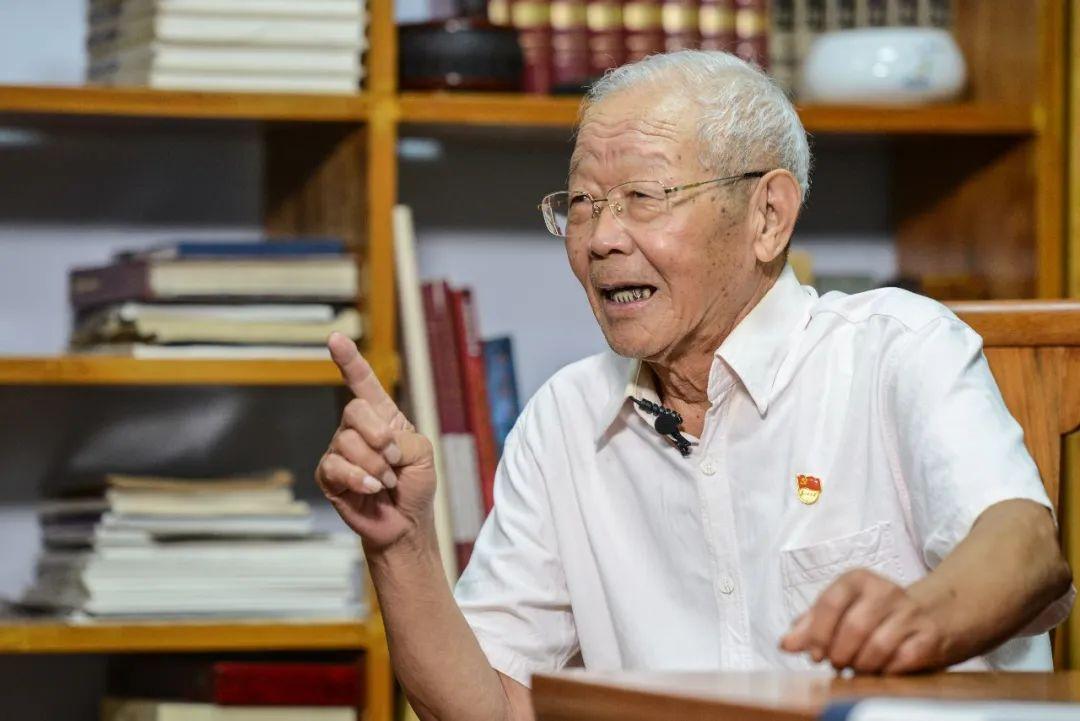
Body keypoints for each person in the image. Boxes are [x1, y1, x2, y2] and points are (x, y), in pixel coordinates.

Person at [315, 51, 1074, 721]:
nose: (602, 238)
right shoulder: (563, 420)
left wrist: (918, 621)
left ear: (768, 215)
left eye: (645, 197)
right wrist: (402, 544)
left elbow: (1026, 547)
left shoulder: (895, 350)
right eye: (583, 204)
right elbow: (492, 709)